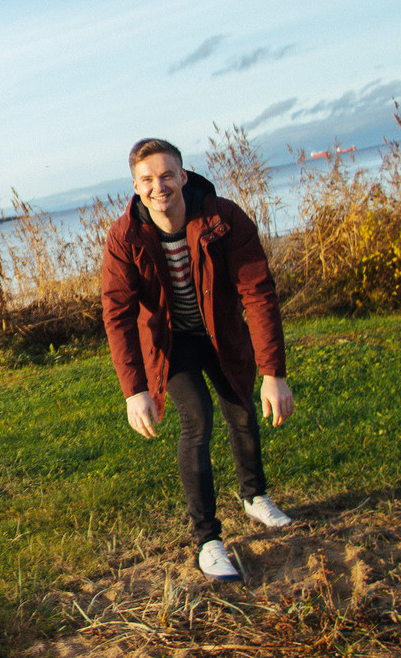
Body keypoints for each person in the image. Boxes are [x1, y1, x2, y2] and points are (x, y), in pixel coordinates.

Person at [101, 136, 295, 581]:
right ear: (135, 186)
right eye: (147, 180)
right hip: (172, 343)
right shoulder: (124, 236)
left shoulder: (223, 218)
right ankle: (208, 540)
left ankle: (254, 497)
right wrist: (134, 390)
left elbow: (259, 293)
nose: (158, 186)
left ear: (183, 176)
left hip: (221, 329)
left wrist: (273, 373)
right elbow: (117, 315)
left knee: (242, 410)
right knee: (199, 421)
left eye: (167, 175)